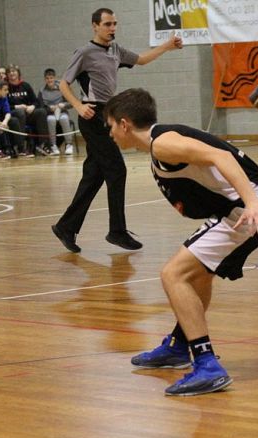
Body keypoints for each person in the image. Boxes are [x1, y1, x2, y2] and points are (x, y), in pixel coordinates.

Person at [104, 88, 258, 396]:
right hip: (239, 209)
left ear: (124, 124)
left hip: (247, 210)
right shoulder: (160, 142)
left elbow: (221, 155)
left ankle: (207, 365)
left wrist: (252, 202)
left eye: (110, 126)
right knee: (197, 275)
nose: (110, 134)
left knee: (173, 275)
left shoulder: (163, 144)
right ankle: (178, 345)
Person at [51, 7, 182, 253]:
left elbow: (141, 59)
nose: (112, 28)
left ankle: (66, 227)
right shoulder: (84, 52)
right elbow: (63, 84)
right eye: (107, 24)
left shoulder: (116, 50)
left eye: (115, 24)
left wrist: (166, 46)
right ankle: (117, 231)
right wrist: (78, 106)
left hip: (107, 115)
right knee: (117, 170)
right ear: (95, 26)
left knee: (94, 176)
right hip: (91, 116)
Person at [6, 64, 51, 156]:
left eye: (14, 71)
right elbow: (4, 105)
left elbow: (36, 101)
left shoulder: (25, 85)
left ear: (18, 73)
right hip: (14, 113)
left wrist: (32, 106)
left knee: (41, 112)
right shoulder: (6, 87)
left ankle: (43, 144)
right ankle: (21, 146)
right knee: (20, 112)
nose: (12, 73)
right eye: (9, 72)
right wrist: (17, 106)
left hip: (27, 113)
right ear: (7, 75)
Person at [38, 68, 74, 156]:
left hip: (62, 112)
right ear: (45, 79)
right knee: (50, 120)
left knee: (64, 118)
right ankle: (53, 145)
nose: (49, 80)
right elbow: (41, 106)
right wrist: (49, 108)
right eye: (47, 78)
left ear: (54, 78)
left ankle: (69, 144)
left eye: (51, 78)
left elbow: (71, 103)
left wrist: (63, 105)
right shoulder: (42, 91)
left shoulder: (62, 88)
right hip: (50, 113)